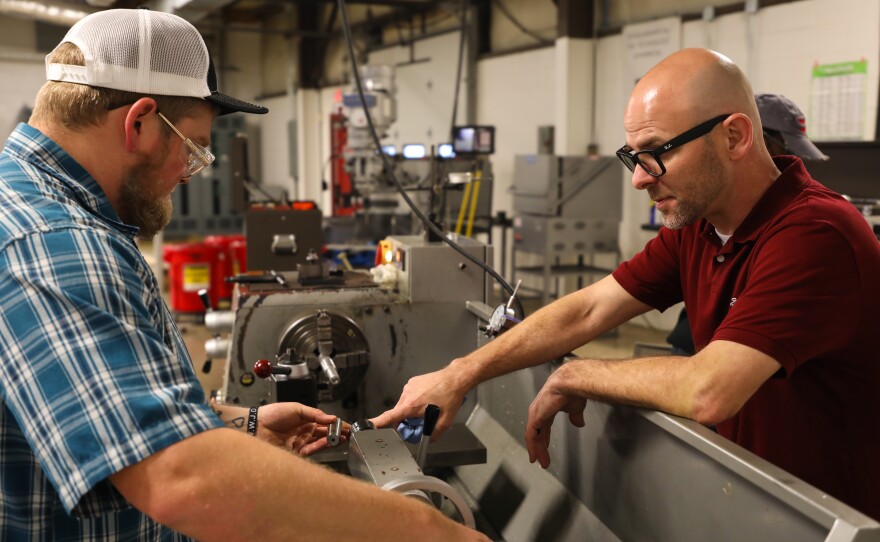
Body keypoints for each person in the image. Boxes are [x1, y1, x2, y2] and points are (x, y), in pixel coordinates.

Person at [0, 9, 487, 541]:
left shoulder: (36, 210)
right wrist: (433, 529)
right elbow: (181, 479)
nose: (189, 172)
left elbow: (99, 407)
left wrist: (241, 423)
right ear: (138, 122)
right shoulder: (53, 244)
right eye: (193, 148)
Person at [372, 48, 880, 520]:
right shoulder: (700, 227)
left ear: (735, 137)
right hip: (751, 500)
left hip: (824, 517)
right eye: (633, 155)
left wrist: (575, 375)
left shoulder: (816, 234)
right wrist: (459, 375)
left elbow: (709, 389)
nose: (639, 178)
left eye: (658, 151)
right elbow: (589, 311)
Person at [666, 92, 830, 356]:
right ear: (744, 139)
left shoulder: (807, 228)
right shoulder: (696, 220)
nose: (787, 162)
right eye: (784, 150)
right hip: (695, 345)